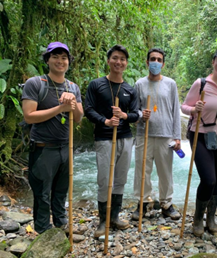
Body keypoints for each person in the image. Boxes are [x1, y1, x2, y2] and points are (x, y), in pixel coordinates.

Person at [21, 42, 83, 234]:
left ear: (69, 62)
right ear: (47, 60)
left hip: (65, 147)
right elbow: (29, 116)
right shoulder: (36, 84)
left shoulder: (73, 87)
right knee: (42, 192)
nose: (60, 61)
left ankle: (60, 224)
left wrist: (72, 104)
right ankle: (43, 230)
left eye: (64, 57)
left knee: (61, 190)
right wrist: (60, 108)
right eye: (55, 56)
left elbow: (79, 119)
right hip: (42, 147)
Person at [85, 45, 138, 237]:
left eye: (123, 59)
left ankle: (115, 216)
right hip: (104, 139)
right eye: (115, 58)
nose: (119, 62)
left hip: (125, 138)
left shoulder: (129, 89)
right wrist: (105, 121)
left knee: (120, 179)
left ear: (126, 63)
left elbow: (135, 114)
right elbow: (88, 109)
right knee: (104, 180)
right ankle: (102, 221)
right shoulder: (96, 85)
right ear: (108, 61)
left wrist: (124, 115)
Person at [181, 47, 217, 236]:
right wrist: (193, 109)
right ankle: (197, 219)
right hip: (201, 134)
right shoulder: (201, 83)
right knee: (208, 178)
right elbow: (184, 106)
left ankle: (210, 219)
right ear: (213, 62)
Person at [132, 48, 181, 221]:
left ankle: (166, 203)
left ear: (163, 63)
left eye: (159, 60)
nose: (155, 62)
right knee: (142, 171)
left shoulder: (170, 84)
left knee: (165, 172)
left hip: (165, 135)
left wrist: (177, 137)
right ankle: (142, 203)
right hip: (143, 133)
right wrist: (139, 115)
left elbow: (176, 111)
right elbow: (133, 110)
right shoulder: (139, 84)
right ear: (147, 63)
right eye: (152, 59)